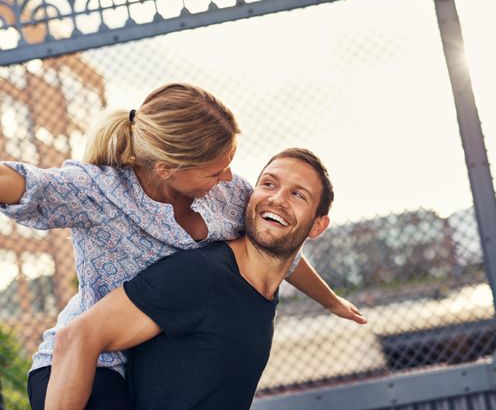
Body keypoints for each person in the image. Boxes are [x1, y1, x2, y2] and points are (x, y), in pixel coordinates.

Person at [0, 83, 366, 409]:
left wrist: (331, 301)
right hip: (90, 363)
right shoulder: (98, 192)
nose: (228, 177)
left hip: (150, 361)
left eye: (229, 164)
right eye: (215, 170)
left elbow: (279, 247)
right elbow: (25, 184)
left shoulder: (225, 195)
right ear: (167, 168)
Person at [46, 148, 338, 410]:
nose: (277, 199)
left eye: (298, 194)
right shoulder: (199, 275)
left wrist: (334, 302)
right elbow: (77, 336)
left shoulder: (261, 291)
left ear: (318, 226)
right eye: (269, 184)